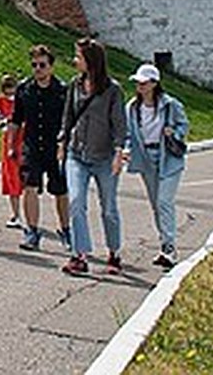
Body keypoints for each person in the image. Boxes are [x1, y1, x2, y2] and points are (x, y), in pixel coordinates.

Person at [59, 37, 127, 276]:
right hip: (76, 154)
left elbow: (120, 125)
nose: (74, 60)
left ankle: (114, 253)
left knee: (108, 207)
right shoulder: (74, 85)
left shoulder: (113, 90)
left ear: (91, 60)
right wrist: (62, 141)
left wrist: (119, 153)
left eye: (78, 56)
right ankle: (80, 255)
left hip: (104, 157)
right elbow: (68, 117)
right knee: (76, 203)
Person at [124, 62, 190, 269]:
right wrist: (127, 149)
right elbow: (128, 134)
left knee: (164, 202)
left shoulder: (170, 104)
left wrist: (175, 133)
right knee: (155, 204)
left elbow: (184, 124)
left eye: (144, 82)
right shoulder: (132, 107)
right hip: (146, 157)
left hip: (168, 158)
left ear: (154, 83)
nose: (140, 86)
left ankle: (170, 247)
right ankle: (164, 244)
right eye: (138, 82)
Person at [11, 44, 71, 252]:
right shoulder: (24, 89)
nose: (38, 69)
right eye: (34, 65)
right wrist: (12, 145)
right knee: (30, 187)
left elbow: (69, 121)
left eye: (42, 65)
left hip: (55, 147)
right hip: (32, 145)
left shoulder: (63, 90)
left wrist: (65, 144)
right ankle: (32, 231)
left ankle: (65, 230)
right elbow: (16, 120)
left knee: (60, 190)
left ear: (51, 67)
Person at [0, 74, 23, 228]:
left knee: (23, 177)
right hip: (8, 139)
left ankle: (23, 213)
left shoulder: (22, 100)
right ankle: (16, 213)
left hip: (22, 139)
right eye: (7, 89)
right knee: (11, 177)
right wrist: (1, 121)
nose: (10, 93)